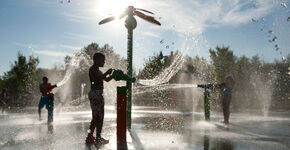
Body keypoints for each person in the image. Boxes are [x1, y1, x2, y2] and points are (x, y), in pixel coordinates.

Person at [85, 53, 113, 145]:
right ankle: (98, 138)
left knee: (96, 118)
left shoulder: (98, 71)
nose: (104, 62)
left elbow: (106, 79)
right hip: (96, 95)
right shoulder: (92, 69)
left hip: (97, 94)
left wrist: (113, 75)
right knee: (99, 118)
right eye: (102, 60)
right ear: (96, 60)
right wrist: (107, 73)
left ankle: (90, 137)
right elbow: (98, 79)